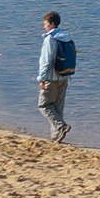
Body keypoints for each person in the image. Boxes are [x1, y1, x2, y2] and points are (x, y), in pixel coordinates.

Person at [36, 11, 72, 143]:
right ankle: (56, 137)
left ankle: (61, 126)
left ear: (51, 24)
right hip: (64, 76)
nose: (44, 26)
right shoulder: (66, 37)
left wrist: (41, 78)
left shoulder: (50, 39)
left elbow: (46, 61)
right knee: (57, 107)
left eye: (45, 24)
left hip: (51, 77)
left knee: (44, 105)